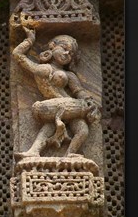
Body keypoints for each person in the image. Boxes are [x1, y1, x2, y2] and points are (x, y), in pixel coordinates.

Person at [12, 26, 100, 157]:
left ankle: (67, 155)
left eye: (70, 54)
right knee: (54, 120)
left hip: (70, 108)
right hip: (51, 106)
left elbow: (78, 91)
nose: (66, 54)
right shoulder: (45, 69)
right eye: (64, 49)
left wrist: (88, 100)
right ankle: (34, 151)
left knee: (82, 130)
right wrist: (29, 40)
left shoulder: (69, 75)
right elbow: (18, 55)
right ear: (52, 46)